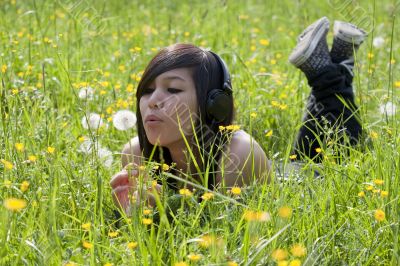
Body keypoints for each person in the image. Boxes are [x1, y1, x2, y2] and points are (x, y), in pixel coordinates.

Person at [110, 17, 365, 215]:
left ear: (214, 103)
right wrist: (133, 210)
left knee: (334, 157)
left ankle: (327, 73)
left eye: (173, 89)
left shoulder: (237, 154)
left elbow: (223, 234)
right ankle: (337, 64)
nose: (153, 101)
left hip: (300, 183)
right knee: (312, 146)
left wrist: (162, 208)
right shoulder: (135, 154)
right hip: (275, 169)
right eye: (147, 90)